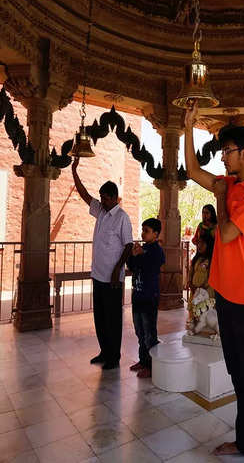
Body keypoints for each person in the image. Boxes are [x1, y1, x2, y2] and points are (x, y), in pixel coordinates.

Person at [183, 105, 244, 462]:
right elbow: (192, 170)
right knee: (238, 373)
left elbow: (227, 231)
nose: (222, 158)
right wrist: (188, 127)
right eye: (222, 152)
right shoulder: (229, 183)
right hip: (227, 294)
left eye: (227, 152)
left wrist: (220, 197)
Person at [72, 158, 133, 370]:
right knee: (99, 317)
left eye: (105, 198)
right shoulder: (101, 212)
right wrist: (74, 170)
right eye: (101, 198)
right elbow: (84, 195)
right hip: (98, 275)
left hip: (113, 279)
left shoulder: (122, 218)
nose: (102, 201)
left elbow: (128, 245)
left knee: (113, 319)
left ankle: (114, 357)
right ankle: (104, 351)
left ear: (115, 198)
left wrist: (118, 269)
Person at [127, 218, 165, 378]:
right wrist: (132, 255)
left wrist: (141, 255)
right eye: (142, 230)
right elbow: (132, 266)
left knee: (150, 333)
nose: (143, 233)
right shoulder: (142, 249)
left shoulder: (157, 251)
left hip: (149, 297)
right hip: (138, 296)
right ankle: (143, 360)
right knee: (139, 331)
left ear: (155, 234)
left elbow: (153, 265)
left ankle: (152, 365)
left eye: (146, 231)